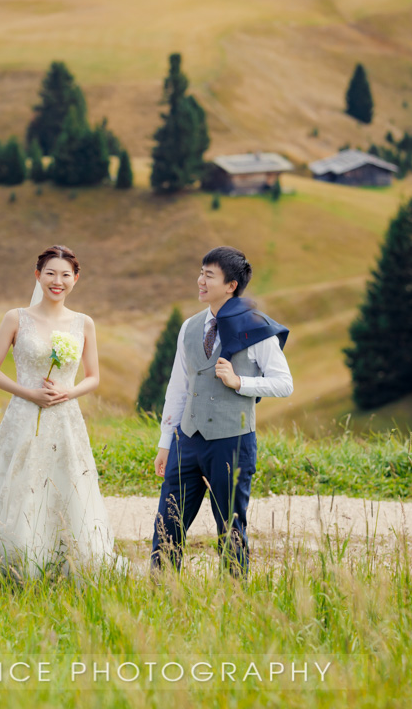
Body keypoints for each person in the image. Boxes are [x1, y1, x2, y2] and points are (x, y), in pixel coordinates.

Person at [0, 245, 126, 579]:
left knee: (66, 484)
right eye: (51, 273)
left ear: (76, 279)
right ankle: (10, 559)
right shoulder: (16, 318)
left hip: (65, 419)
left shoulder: (84, 324)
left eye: (65, 275)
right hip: (23, 416)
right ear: (38, 275)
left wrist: (68, 392)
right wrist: (29, 393)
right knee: (15, 483)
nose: (58, 281)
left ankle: (65, 561)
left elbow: (94, 378)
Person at [150, 246, 292, 578]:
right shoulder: (190, 326)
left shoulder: (257, 328)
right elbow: (179, 387)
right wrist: (165, 442)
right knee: (166, 525)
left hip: (232, 441)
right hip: (187, 439)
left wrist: (239, 381)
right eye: (200, 273)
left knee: (230, 528)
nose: (200, 280)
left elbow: (284, 383)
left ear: (231, 285)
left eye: (208, 275)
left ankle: (235, 598)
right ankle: (159, 593)